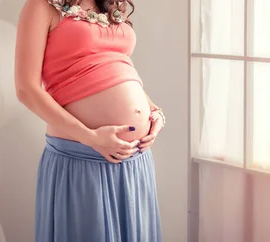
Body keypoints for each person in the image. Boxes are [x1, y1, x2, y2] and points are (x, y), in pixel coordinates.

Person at [14, 0, 164, 241]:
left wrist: (154, 111)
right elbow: (26, 89)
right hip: (82, 155)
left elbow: (113, 66)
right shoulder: (42, 6)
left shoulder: (108, 5)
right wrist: (91, 138)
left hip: (134, 160)